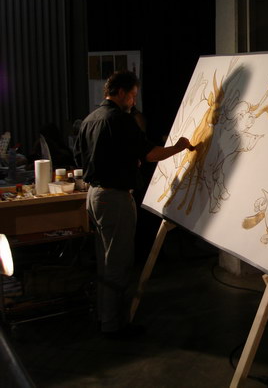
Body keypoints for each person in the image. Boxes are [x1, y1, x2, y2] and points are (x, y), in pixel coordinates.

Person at [74, 71, 191, 339]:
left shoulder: (90, 119)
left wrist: (123, 161)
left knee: (105, 261)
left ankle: (104, 317)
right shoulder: (119, 119)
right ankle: (113, 326)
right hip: (114, 198)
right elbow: (151, 154)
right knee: (118, 263)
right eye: (132, 96)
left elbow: (81, 158)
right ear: (121, 93)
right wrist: (179, 147)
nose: (133, 102)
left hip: (93, 195)